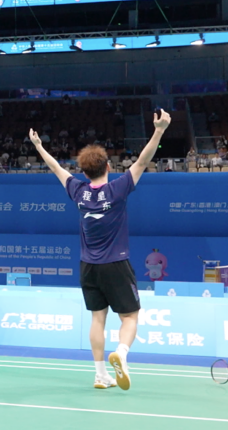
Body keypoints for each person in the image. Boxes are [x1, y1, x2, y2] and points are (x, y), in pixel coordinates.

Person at [27, 108, 171, 392]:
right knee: (129, 317)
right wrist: (160, 130)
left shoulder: (78, 192)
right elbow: (143, 161)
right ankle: (122, 353)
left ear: (83, 171)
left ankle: (99, 374)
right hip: (116, 264)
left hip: (87, 266)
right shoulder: (118, 189)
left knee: (97, 318)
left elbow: (57, 168)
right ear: (108, 167)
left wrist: (39, 147)